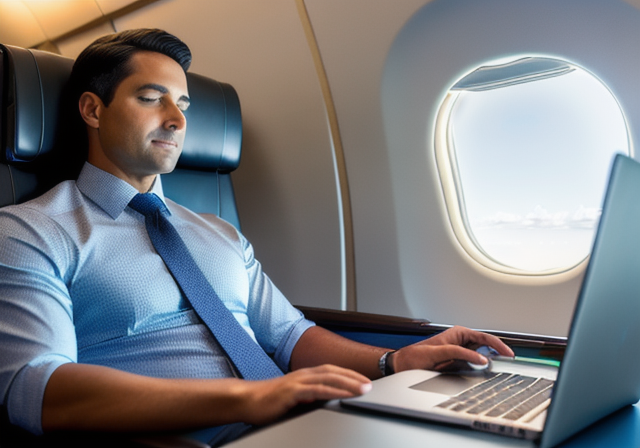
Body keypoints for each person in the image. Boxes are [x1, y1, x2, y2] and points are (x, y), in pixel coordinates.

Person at [0, 29, 513, 445]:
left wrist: (393, 362)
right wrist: (246, 399)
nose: (177, 120)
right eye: (151, 98)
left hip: (298, 426)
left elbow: (289, 337)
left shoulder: (218, 232)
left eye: (182, 103)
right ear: (93, 110)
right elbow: (38, 385)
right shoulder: (32, 231)